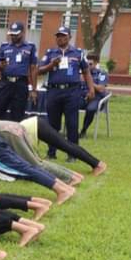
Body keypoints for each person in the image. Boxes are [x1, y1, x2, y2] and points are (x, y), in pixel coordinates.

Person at [0, 117, 84, 185]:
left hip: (6, 132)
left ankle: (70, 178)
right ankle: (73, 175)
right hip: (14, 126)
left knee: (34, 164)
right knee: (37, 160)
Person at [39, 26, 95, 161]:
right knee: (53, 124)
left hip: (72, 91)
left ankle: (73, 154)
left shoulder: (78, 53)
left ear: (69, 37)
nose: (60, 38)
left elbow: (86, 71)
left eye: (63, 36)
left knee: (72, 123)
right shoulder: (50, 52)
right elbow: (40, 70)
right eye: (58, 36)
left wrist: (91, 89)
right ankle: (51, 152)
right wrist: (51, 65)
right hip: (54, 91)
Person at [0, 21, 38, 121]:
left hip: (21, 84)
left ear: (22, 33)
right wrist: (1, 66)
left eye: (16, 34)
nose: (13, 36)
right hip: (5, 83)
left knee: (17, 116)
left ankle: (14, 136)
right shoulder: (4, 46)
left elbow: (33, 69)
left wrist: (33, 89)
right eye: (12, 34)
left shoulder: (30, 47)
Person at [80, 52, 109, 139]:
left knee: (91, 109)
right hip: (82, 96)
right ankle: (69, 130)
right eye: (86, 63)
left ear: (96, 63)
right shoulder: (81, 73)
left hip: (96, 98)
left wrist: (88, 81)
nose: (88, 66)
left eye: (90, 64)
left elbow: (101, 88)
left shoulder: (101, 73)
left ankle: (83, 130)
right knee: (69, 105)